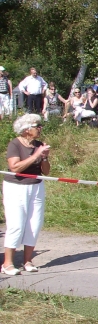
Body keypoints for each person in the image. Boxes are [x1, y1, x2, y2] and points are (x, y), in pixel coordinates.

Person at [2, 114, 50, 275]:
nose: (40, 129)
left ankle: (27, 261)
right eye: (37, 126)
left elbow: (46, 171)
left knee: (34, 224)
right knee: (16, 224)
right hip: (16, 187)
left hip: (36, 186)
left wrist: (44, 158)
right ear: (27, 129)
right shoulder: (15, 144)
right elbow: (15, 167)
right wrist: (36, 155)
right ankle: (7, 263)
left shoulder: (39, 144)